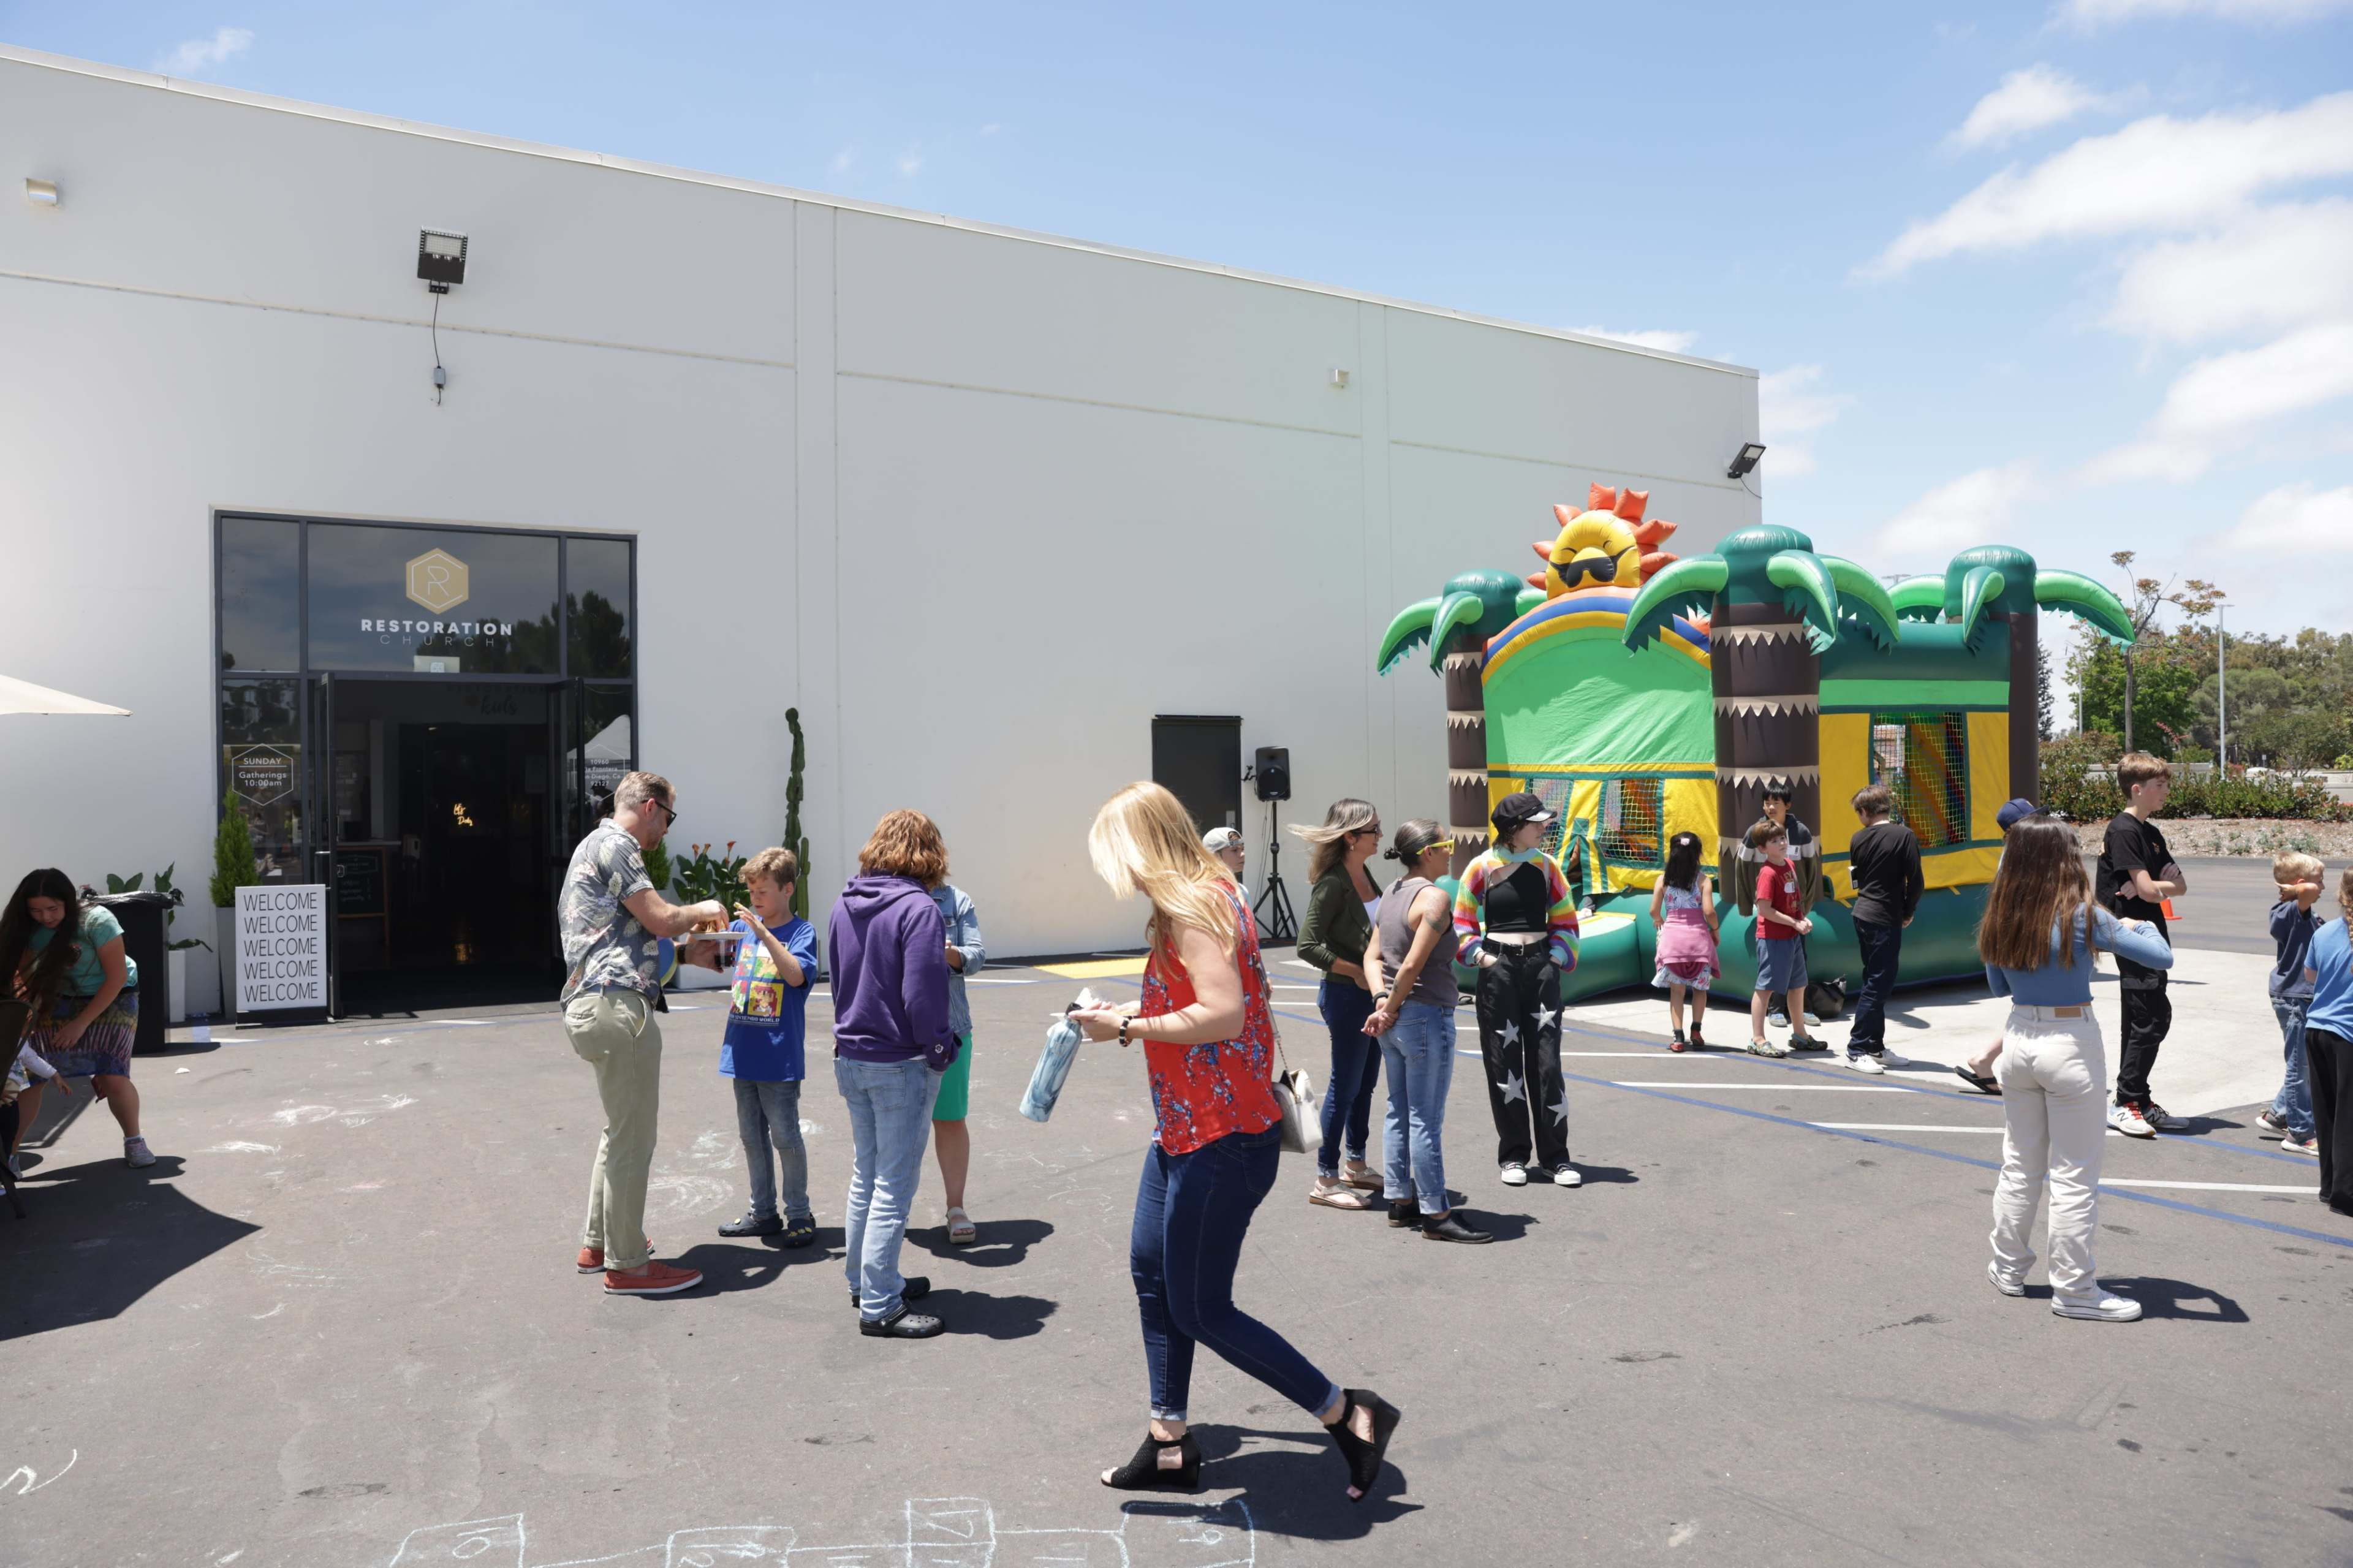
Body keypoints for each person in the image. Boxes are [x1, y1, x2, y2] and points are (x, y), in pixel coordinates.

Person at [1072, 782, 1401, 1500]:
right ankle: (1169, 1443)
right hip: (1187, 1132)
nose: (1118, 875)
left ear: (1143, 847)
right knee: (1154, 1275)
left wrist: (1125, 1029)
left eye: (1119, 858)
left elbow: (1221, 1014)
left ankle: (1349, 1412)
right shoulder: (1207, 893)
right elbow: (1207, 1001)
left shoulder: (1195, 904)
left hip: (1219, 1141)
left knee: (1200, 1308)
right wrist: (1122, 1012)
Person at [1980, 814, 2174, 1321]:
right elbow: (2161, 956)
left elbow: (1999, 987)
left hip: (2019, 1036)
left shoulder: (2002, 911)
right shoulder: (2083, 915)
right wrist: (2134, 923)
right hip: (2069, 1040)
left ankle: (2007, 1266)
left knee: (2020, 1164)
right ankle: (2074, 1289)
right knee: (2074, 1175)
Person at [559, 771, 730, 1297]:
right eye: (669, 818)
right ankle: (628, 1265)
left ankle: (599, 1244)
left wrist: (686, 954)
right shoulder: (619, 844)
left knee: (620, 1131)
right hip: (617, 1007)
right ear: (651, 807)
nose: (667, 831)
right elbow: (659, 918)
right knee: (633, 1138)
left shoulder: (594, 845)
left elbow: (621, 937)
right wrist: (703, 910)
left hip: (594, 1002)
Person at [828, 809, 960, 1339]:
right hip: (900, 1061)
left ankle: (866, 1280)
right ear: (929, 854)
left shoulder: (845, 901)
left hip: (852, 1054)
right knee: (893, 1182)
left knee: (867, 1173)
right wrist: (940, 1047)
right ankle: (881, 1303)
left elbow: (840, 978)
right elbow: (923, 993)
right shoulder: (919, 908)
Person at [1363, 820, 1488, 1242]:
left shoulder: (1391, 893)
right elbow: (1413, 964)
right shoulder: (1434, 897)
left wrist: (1381, 1002)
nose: (1451, 851)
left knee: (1399, 1109)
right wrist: (1388, 1006)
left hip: (1396, 1016)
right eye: (1446, 844)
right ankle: (1436, 1213)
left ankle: (1401, 1200)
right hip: (1423, 1016)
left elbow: (1372, 958)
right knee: (1424, 1118)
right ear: (1428, 851)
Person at [1452, 792, 1582, 1187]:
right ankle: (1513, 1156)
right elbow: (1462, 920)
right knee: (1502, 1064)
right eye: (1537, 822)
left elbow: (1566, 919)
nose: (1545, 827)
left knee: (1547, 1065)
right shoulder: (1481, 866)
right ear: (1513, 829)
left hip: (1541, 969)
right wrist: (1480, 957)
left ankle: (1556, 1158)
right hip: (1499, 971)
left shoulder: (1548, 866)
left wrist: (1556, 958)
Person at [1, 869, 153, 1167]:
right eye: (36, 911)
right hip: (60, 996)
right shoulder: (27, 929)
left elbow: (117, 977)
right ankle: (9, 1156)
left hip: (114, 995)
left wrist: (80, 1024)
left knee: (111, 1073)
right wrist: (28, 1017)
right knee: (31, 1077)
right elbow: (28, 981)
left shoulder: (98, 921)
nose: (45, 917)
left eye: (52, 908)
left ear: (68, 902)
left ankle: (134, 1140)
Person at [715, 847, 822, 1245]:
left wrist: (763, 934)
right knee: (752, 1138)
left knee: (786, 1138)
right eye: (752, 891)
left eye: (763, 891)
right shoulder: (744, 927)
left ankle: (799, 1213)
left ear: (788, 889)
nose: (755, 898)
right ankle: (763, 1212)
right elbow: (716, 953)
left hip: (779, 1058)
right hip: (742, 1052)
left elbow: (796, 976)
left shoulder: (802, 933)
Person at [1292, 798, 1385, 1210]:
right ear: (1351, 837)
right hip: (1346, 996)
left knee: (1365, 1084)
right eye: (1373, 830)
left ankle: (1356, 1164)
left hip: (1372, 996)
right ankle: (1326, 1178)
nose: (1380, 835)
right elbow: (1307, 945)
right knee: (1344, 1086)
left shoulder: (1363, 872)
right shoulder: (1332, 883)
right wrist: (1356, 971)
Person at [2096, 754, 2188, 1138]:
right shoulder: (2123, 831)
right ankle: (2126, 1103)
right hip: (2133, 937)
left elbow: (2178, 886)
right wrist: (2154, 886)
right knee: (2148, 1020)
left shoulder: (2150, 832)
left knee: (2148, 1019)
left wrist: (2155, 887)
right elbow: (2150, 890)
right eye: (2160, 786)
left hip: (2152, 937)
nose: (2166, 792)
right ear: (2138, 789)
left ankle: (2138, 1100)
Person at [1955, 798, 2043, 1094]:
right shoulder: (2023, 855)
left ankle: (1987, 1059)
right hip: (2022, 936)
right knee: (2035, 1006)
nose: (2041, 823)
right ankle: (1988, 1059)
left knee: (2032, 1007)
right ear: (2018, 827)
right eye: (2034, 818)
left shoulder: (2019, 852)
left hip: (2016, 935)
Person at [1843, 784, 1923, 1076]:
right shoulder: (1904, 836)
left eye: (1859, 813)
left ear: (1865, 811)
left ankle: (1874, 1045)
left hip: (1863, 913)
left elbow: (1857, 877)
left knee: (1874, 980)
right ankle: (1858, 1048)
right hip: (1885, 916)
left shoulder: (1857, 838)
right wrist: (1908, 911)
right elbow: (1916, 880)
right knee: (1879, 983)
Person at [930, 877, 987, 1244]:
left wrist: (951, 955)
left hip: (949, 1029)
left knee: (950, 1120)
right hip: (896, 1035)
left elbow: (976, 955)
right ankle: (889, 1214)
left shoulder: (955, 900)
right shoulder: (887, 895)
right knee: (894, 1129)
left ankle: (956, 1208)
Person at [1734, 784, 1820, 1029]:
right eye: (1767, 803)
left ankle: (1802, 1014)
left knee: (1799, 967)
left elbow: (1811, 870)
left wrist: (1804, 911)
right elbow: (1742, 867)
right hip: (1772, 916)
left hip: (1795, 912)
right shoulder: (1756, 835)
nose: (1771, 807)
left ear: (1788, 805)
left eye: (1776, 803)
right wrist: (1746, 904)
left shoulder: (1800, 832)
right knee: (1772, 971)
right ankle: (1775, 1011)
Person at [2257, 852, 2325, 1157]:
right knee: (2300, 1067)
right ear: (2299, 884)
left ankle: (2279, 1114)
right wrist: (2298, 889)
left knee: (2303, 1062)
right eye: (2319, 880)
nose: (2322, 887)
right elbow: (2307, 891)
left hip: (2303, 996)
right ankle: (2300, 1133)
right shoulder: (2286, 912)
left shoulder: (2307, 914)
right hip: (2295, 998)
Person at [1746, 822, 1827, 1056]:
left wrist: (1801, 918)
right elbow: (1765, 910)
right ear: (1763, 849)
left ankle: (1800, 1035)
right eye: (1774, 841)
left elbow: (1794, 901)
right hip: (1773, 939)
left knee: (1798, 985)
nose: (1782, 843)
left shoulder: (1790, 864)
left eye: (1782, 838)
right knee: (1765, 989)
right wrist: (1794, 923)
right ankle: (1758, 1039)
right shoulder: (1768, 873)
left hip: (1792, 937)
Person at [2300, 866, 2353, 1216]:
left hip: (2317, 1029)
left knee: (2328, 1113)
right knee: (2349, 1117)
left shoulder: (2325, 931)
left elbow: (2311, 975)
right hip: (2347, 1034)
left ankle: (2330, 1186)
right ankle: (2346, 1194)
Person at [1648, 831, 1719, 1052]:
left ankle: (1678, 1037)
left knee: (1677, 992)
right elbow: (1709, 912)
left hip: (1673, 944)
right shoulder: (1703, 880)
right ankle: (1696, 1030)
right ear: (1697, 854)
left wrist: (1659, 920)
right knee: (1700, 989)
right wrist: (1715, 930)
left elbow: (1653, 910)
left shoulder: (1663, 880)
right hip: (1698, 943)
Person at [1202, 826, 1247, 890]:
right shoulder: (1204, 891)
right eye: (1235, 850)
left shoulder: (1242, 890)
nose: (1242, 854)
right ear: (1215, 856)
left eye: (1242, 849)